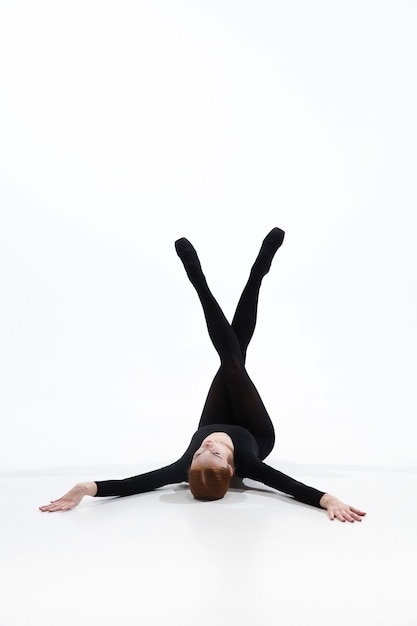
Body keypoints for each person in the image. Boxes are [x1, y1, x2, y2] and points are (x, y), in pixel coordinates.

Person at [40, 228, 366, 522]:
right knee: (234, 363)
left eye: (198, 453)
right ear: (232, 467)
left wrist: (84, 487)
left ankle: (230, 277)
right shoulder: (250, 463)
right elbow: (291, 486)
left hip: (215, 416)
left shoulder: (185, 467)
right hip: (255, 430)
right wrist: (329, 500)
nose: (207, 445)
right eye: (214, 454)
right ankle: (228, 277)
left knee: (232, 359)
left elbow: (132, 484)